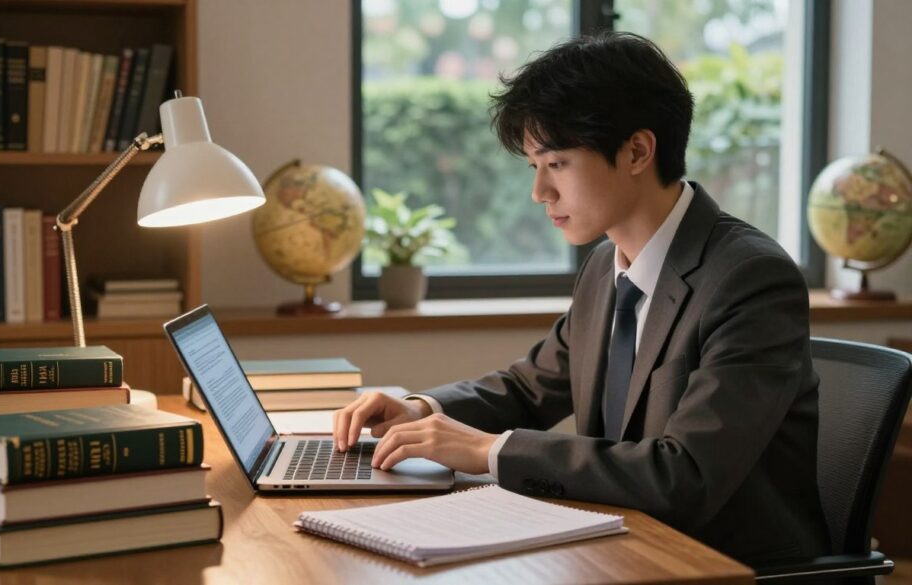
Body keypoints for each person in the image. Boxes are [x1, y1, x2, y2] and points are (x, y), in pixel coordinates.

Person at [333, 32, 831, 565]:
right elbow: (531, 387)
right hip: (622, 547)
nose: (539, 193)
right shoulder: (605, 264)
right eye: (534, 167)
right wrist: (420, 409)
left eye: (558, 164)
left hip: (720, 565)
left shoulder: (749, 277)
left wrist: (485, 450)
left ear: (637, 151)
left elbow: (684, 475)